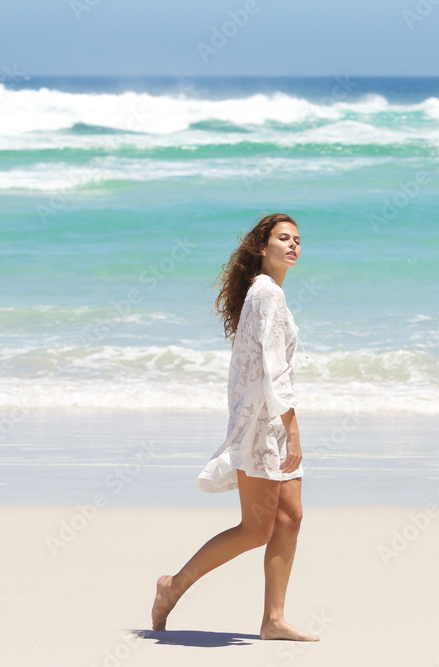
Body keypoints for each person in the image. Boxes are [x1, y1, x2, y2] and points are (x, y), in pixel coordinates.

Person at [151, 212, 318, 642]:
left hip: (274, 422)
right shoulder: (267, 295)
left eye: (298, 239)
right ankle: (172, 587)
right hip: (264, 425)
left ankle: (274, 620)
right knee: (256, 528)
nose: (294, 245)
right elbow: (271, 368)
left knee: (290, 518)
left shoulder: (268, 294)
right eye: (284, 238)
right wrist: (292, 427)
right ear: (263, 248)